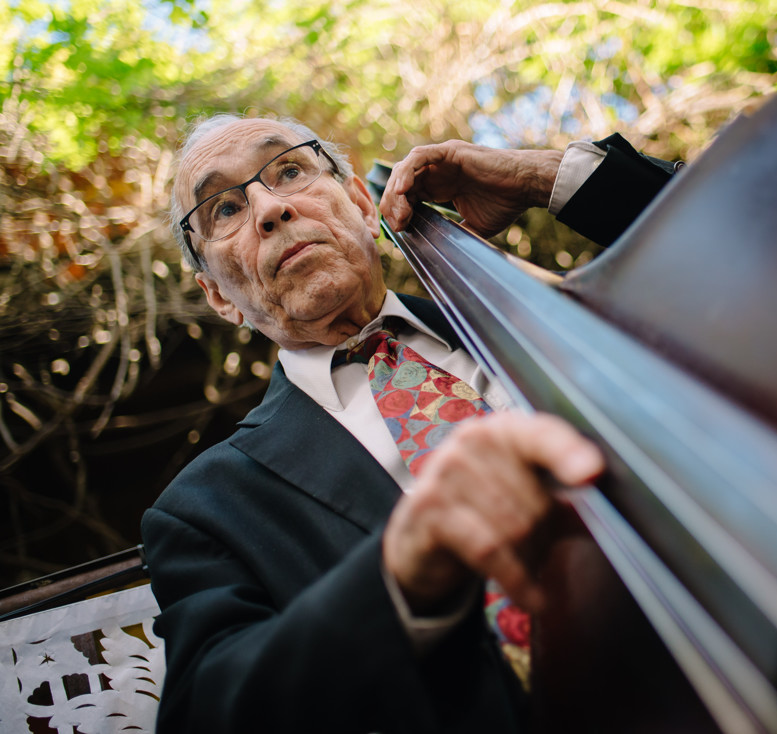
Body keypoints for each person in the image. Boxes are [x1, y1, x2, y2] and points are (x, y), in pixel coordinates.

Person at [141, 114, 680, 734]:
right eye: (223, 209)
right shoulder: (204, 510)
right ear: (217, 297)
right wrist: (398, 576)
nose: (269, 208)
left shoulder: (553, 315)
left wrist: (546, 176)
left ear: (361, 205)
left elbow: (770, 255)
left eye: (289, 170)